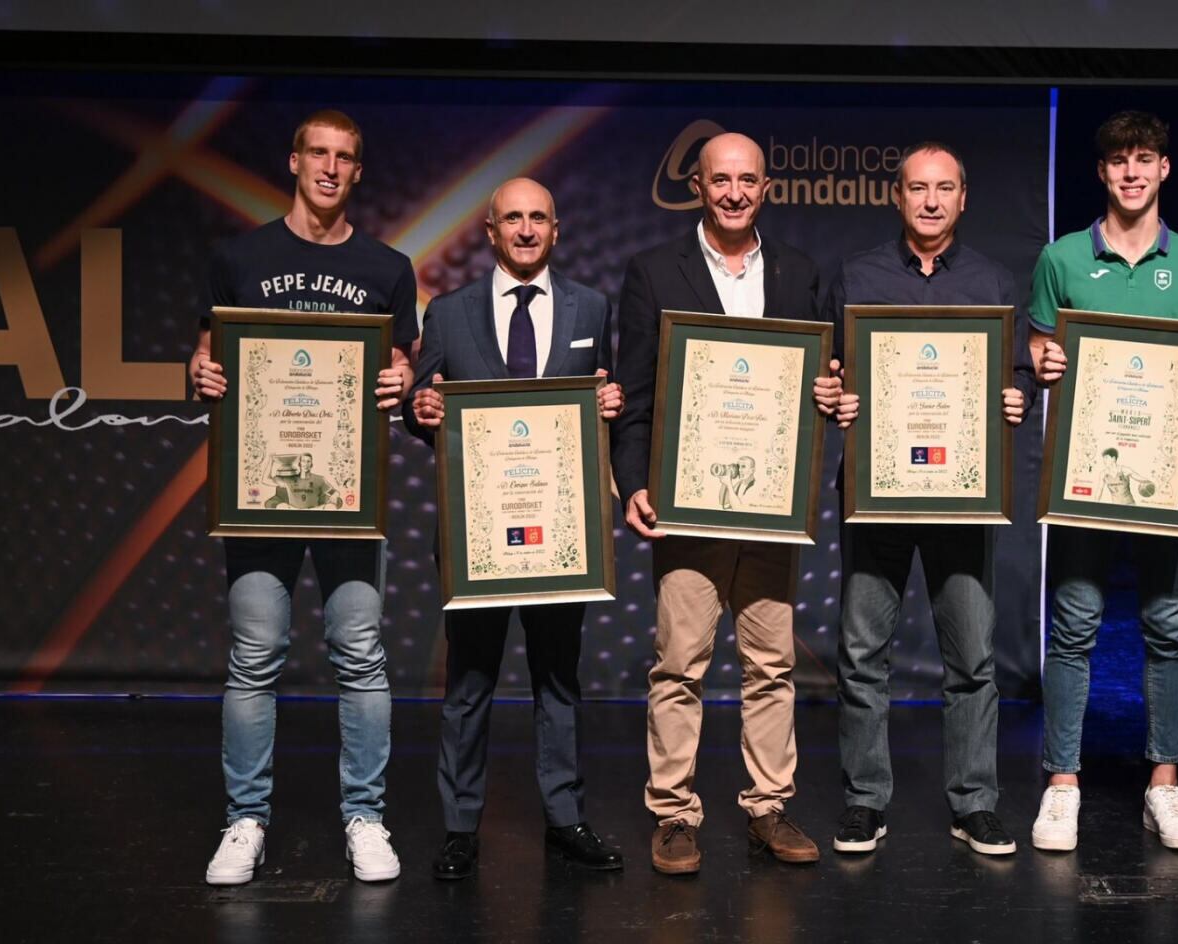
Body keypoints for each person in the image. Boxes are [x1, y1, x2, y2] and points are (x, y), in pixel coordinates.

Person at [190, 109, 416, 885]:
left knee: (360, 654)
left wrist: (405, 378)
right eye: (317, 154)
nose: (329, 168)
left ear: (357, 171)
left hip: (349, 494)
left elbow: (407, 366)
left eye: (344, 157)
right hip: (260, 493)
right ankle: (244, 819)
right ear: (293, 162)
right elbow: (208, 352)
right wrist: (202, 373)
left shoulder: (388, 268)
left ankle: (366, 816)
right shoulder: (240, 256)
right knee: (255, 657)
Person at [610, 131, 843, 874]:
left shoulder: (804, 273)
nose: (735, 192)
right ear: (700, 187)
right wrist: (632, 479)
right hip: (687, 502)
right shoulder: (652, 272)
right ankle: (674, 814)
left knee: (770, 664)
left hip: (772, 504)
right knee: (679, 665)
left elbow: (826, 381)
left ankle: (769, 807)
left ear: (767, 186)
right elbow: (636, 394)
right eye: (721, 180)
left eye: (748, 179)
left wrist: (830, 394)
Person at [404, 177, 626, 879]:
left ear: (556, 230)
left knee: (558, 680)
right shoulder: (447, 313)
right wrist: (420, 411)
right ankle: (461, 827)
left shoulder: (593, 307)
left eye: (538, 219)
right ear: (491, 233)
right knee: (469, 683)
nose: (526, 230)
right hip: (479, 537)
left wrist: (610, 399)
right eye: (513, 220)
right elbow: (422, 400)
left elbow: (604, 396)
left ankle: (564, 817)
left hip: (561, 533)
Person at [1027, 110, 1178, 853]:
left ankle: (1165, 786)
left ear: (1164, 168)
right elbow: (1040, 347)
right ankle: (1061, 786)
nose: (1131, 172)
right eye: (1119, 160)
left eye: (1145, 157)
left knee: (1170, 629)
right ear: (1102, 171)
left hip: (1167, 480)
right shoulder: (1061, 259)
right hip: (1086, 479)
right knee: (1074, 627)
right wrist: (1042, 357)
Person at [822, 142, 1033, 857]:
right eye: (919, 188)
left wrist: (1016, 397)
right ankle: (863, 801)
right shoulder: (856, 276)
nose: (932, 201)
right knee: (861, 655)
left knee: (972, 659)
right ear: (899, 196)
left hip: (961, 497)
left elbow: (1015, 380)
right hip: (876, 494)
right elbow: (829, 375)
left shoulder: (994, 279)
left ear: (963, 197)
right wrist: (833, 400)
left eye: (945, 188)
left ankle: (974, 803)